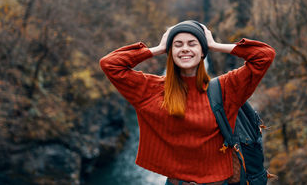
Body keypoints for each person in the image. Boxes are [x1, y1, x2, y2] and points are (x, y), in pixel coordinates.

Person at [99, 20, 275, 185]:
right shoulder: (152, 90)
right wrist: (159, 48)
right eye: (177, 45)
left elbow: (264, 56)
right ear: (170, 52)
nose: (184, 49)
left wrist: (214, 45)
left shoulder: (226, 89)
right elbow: (110, 64)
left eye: (192, 44)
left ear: (203, 52)